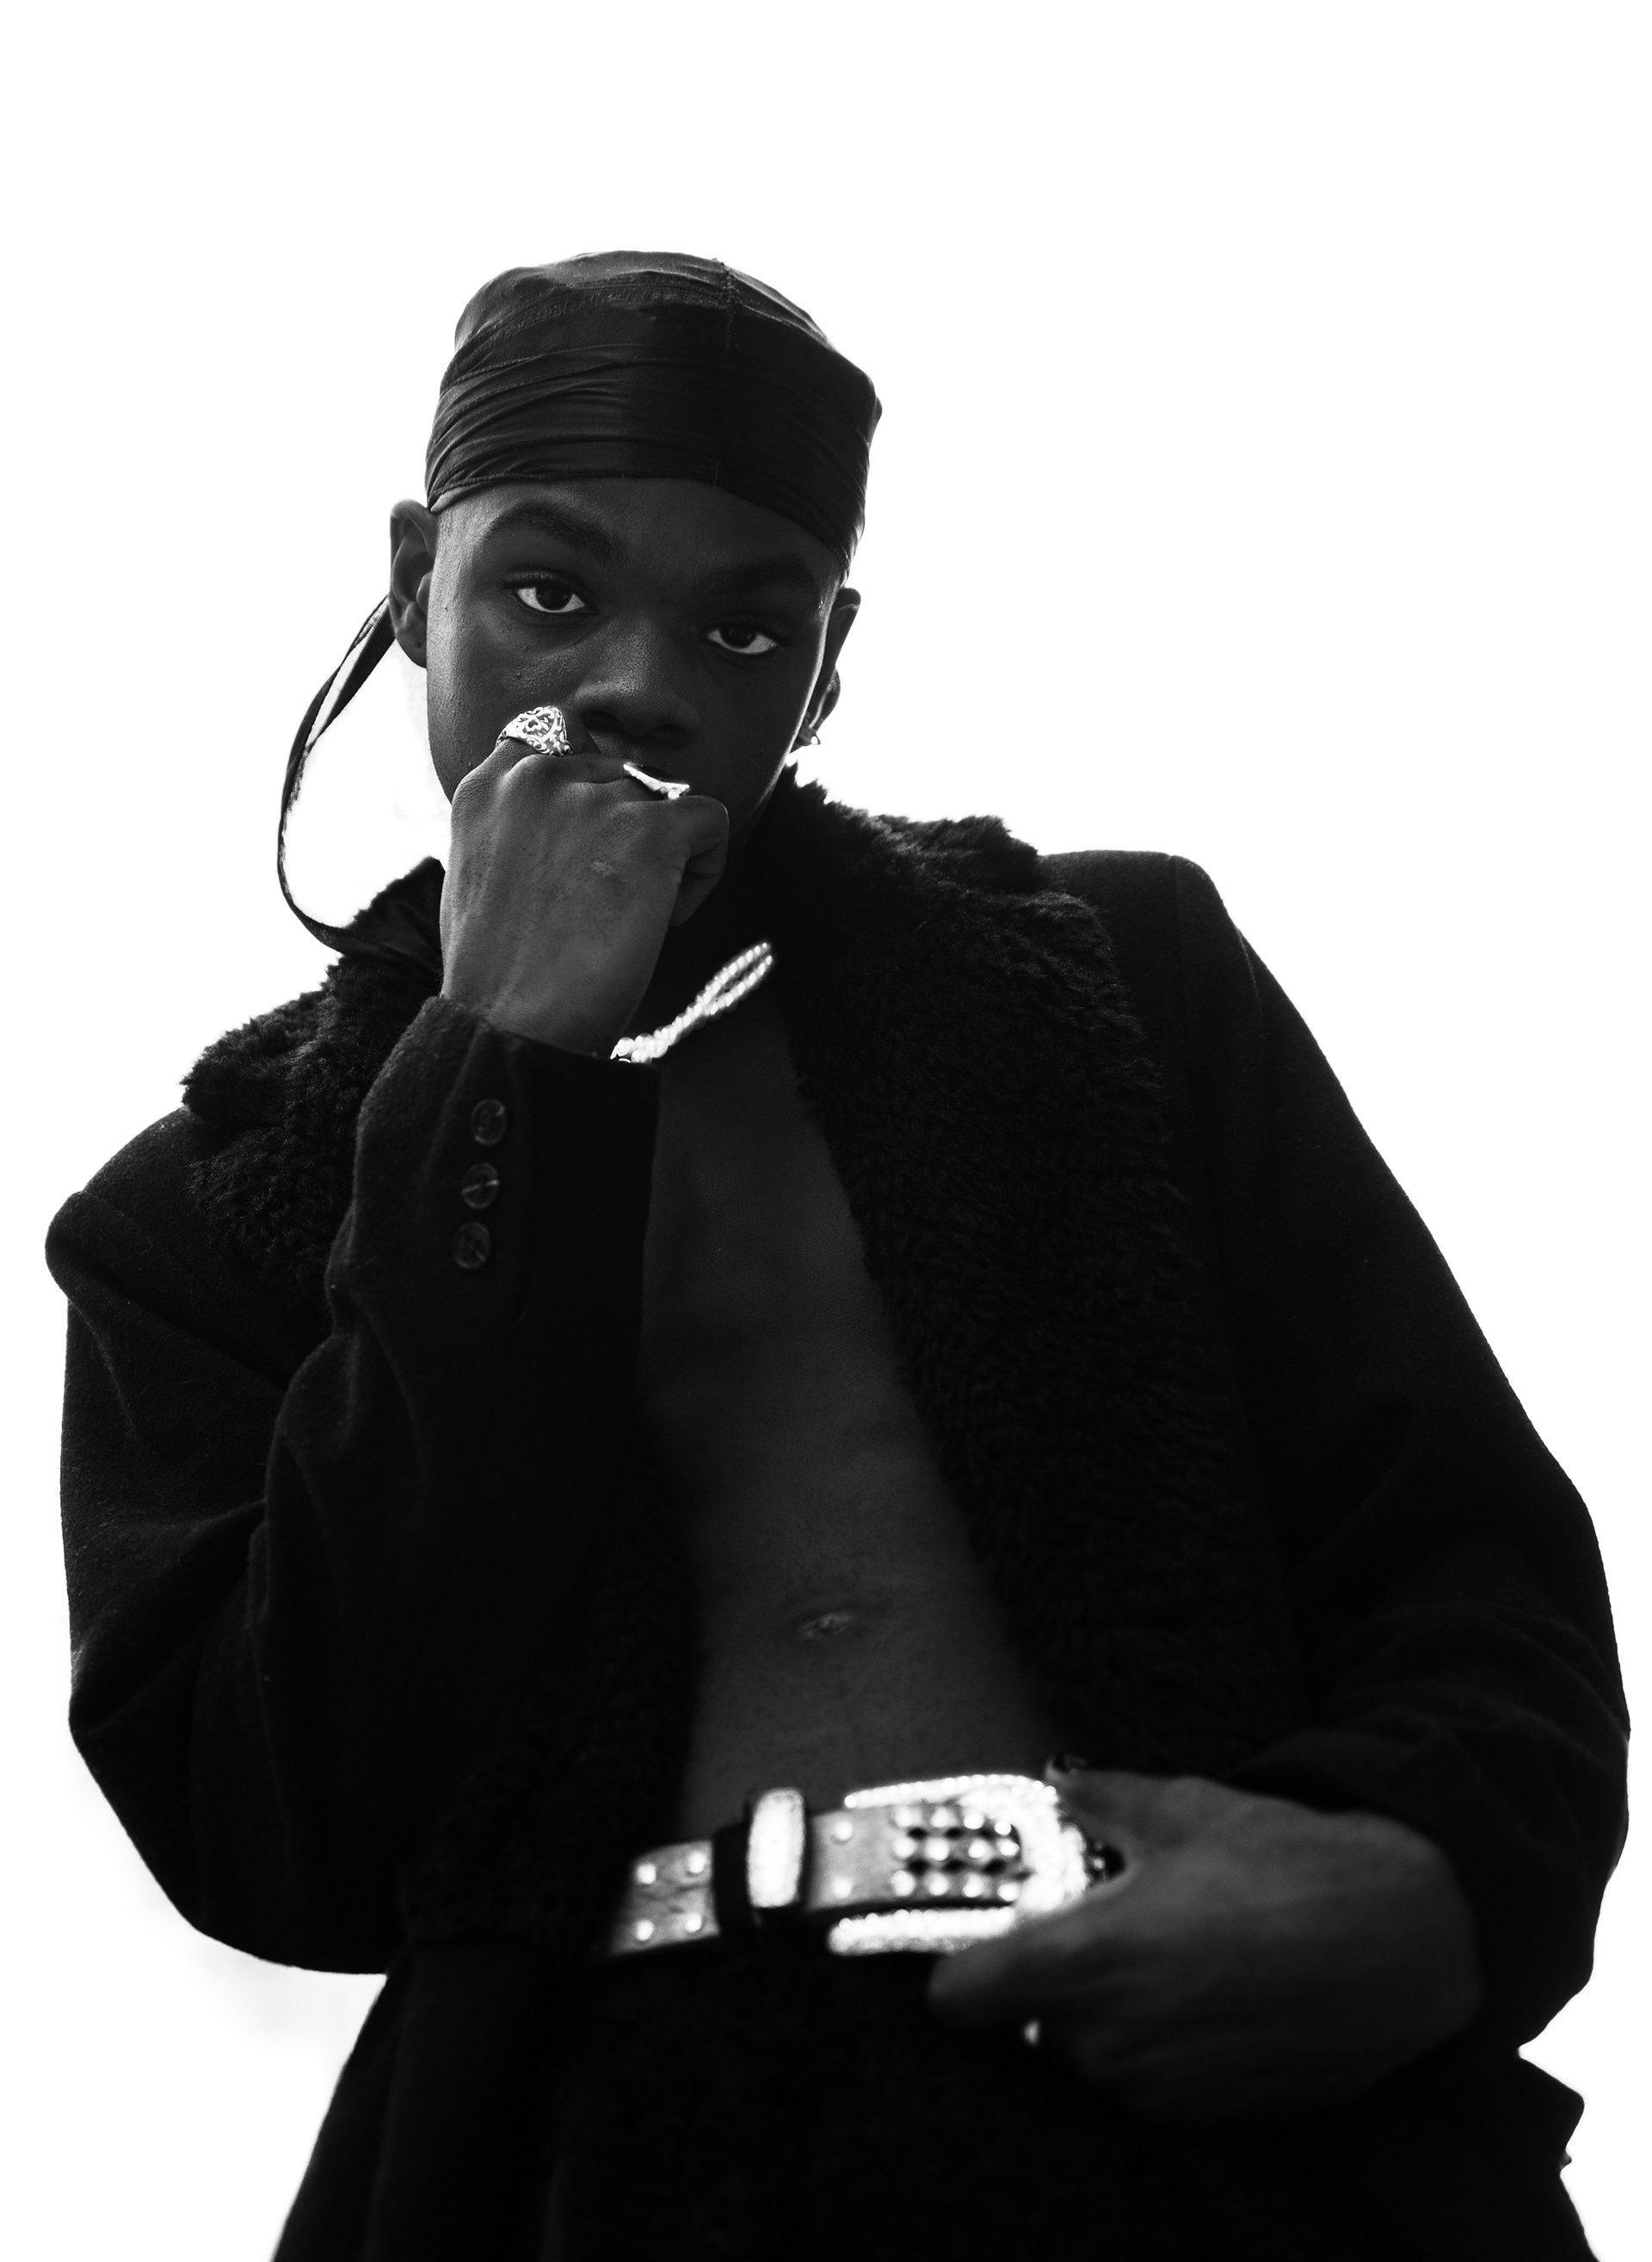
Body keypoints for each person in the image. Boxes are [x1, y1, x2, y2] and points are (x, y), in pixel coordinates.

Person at [48, 252, 1625, 2262]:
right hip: (586, 2167)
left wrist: (1433, 1876)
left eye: (745, 623)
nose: (643, 681)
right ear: (415, 577)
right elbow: (277, 1828)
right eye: (548, 590)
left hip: (1211, 2116)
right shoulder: (198, 1208)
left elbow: (1467, 1562)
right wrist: (499, 1066)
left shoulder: (1116, 976)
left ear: (828, 661)